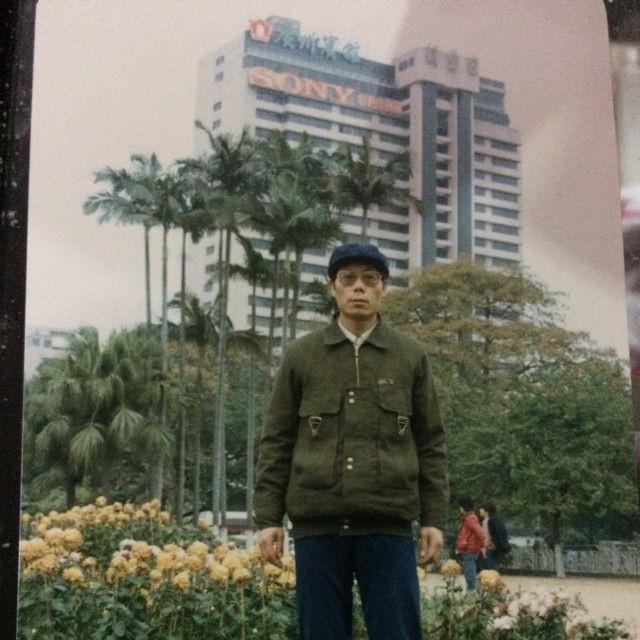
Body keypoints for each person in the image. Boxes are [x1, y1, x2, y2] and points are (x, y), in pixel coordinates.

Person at [253, 243, 449, 640]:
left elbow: (430, 442)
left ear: (383, 288)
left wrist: (433, 518)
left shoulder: (410, 356)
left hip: (388, 524)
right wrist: (269, 518)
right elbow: (277, 441)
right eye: (348, 278)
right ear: (333, 287)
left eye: (370, 279)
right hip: (318, 524)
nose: (359, 287)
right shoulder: (301, 355)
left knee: (398, 633)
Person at [455, 497, 486, 591]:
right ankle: (472, 591)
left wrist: (481, 545)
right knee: (469, 572)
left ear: (463, 507)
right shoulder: (468, 518)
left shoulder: (470, 518)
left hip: (469, 550)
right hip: (468, 549)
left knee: (469, 573)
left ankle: (472, 593)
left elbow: (480, 533)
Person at [478, 503, 510, 570]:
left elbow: (488, 536)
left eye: (482, 510)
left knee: (490, 570)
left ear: (486, 512)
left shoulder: (488, 521)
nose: (480, 511)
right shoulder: (497, 519)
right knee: (493, 569)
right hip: (496, 548)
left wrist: (484, 548)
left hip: (490, 549)